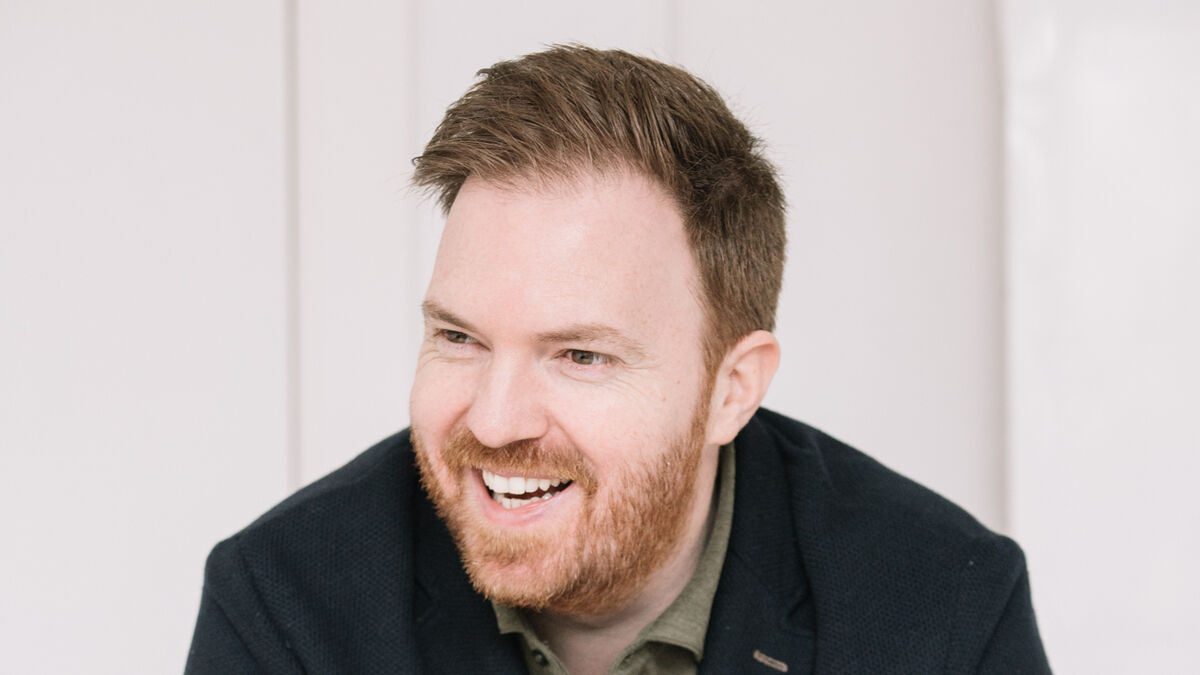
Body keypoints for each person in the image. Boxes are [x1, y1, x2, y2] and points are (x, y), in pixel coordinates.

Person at [186, 45, 1050, 674]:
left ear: (731, 389)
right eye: (459, 338)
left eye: (580, 355)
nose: (495, 419)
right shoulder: (285, 605)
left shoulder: (943, 612)